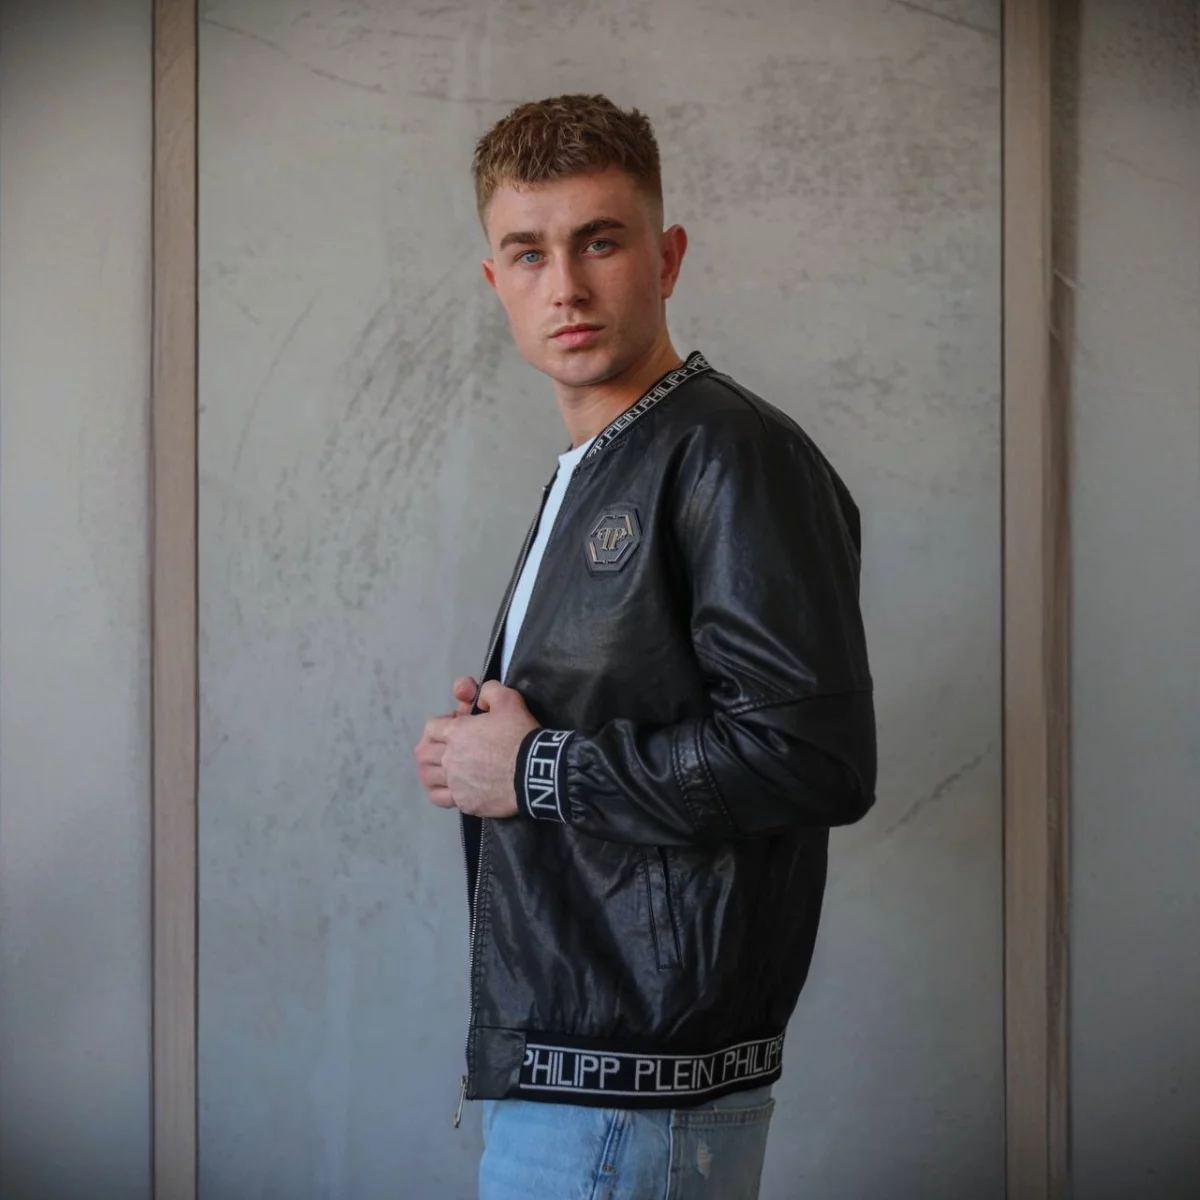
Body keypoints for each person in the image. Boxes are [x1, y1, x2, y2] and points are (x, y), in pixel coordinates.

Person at [413, 93, 876, 1200]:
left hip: (637, 1095)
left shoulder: (729, 453)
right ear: (495, 281)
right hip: (579, 1070)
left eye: (600, 242)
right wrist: (490, 750)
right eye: (529, 253)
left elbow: (813, 756)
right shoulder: (600, 465)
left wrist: (534, 768)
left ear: (666, 258)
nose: (565, 287)